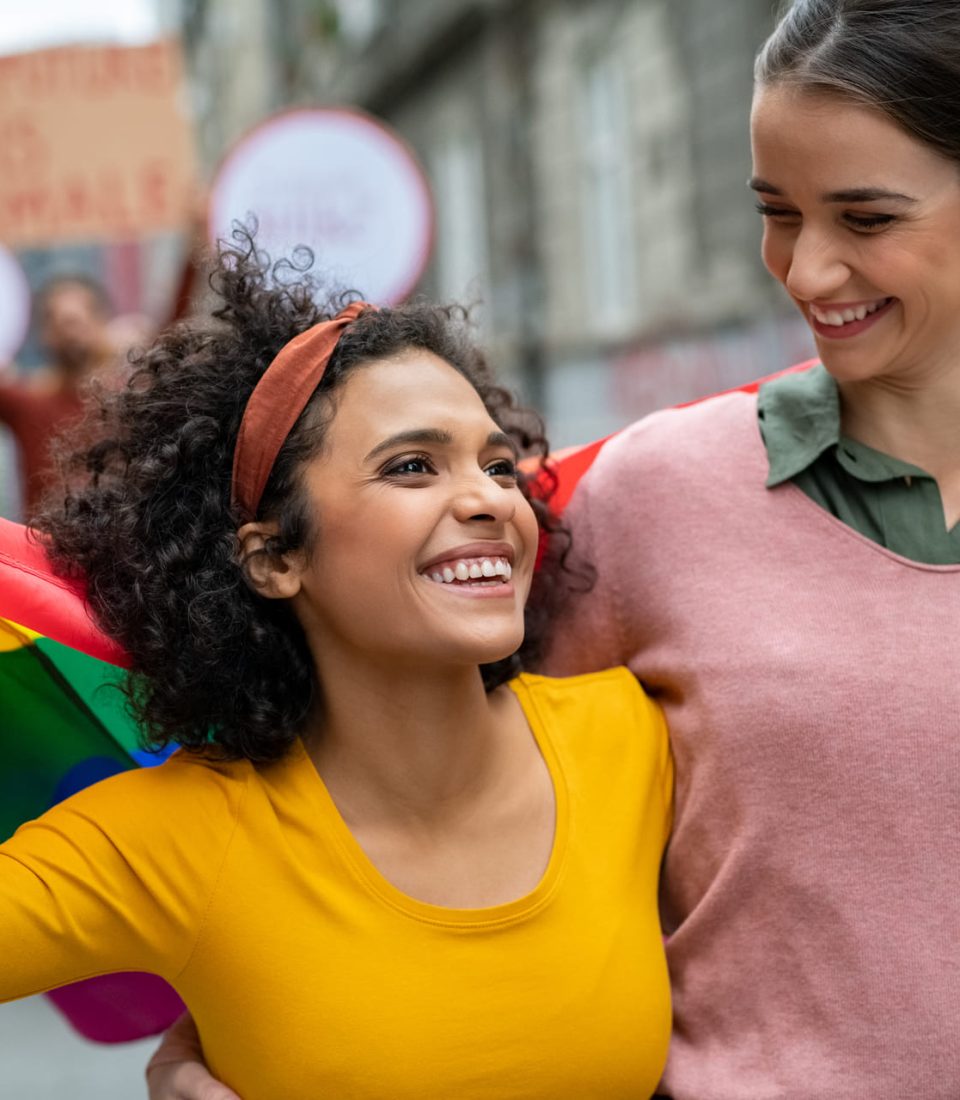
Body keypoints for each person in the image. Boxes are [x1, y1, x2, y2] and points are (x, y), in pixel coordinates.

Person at [148, 0, 960, 1095]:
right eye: (777, 212)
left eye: (865, 219)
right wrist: (242, 1037)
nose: (808, 271)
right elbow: (427, 804)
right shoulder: (658, 496)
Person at [0, 234, 674, 1100]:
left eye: (499, 463)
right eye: (412, 466)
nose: (490, 498)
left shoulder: (635, 736)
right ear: (275, 558)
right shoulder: (179, 837)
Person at [0, 274, 118, 519]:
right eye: (56, 320)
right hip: (40, 549)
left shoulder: (132, 399)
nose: (70, 329)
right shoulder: (29, 403)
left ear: (102, 321)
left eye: (80, 318)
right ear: (43, 334)